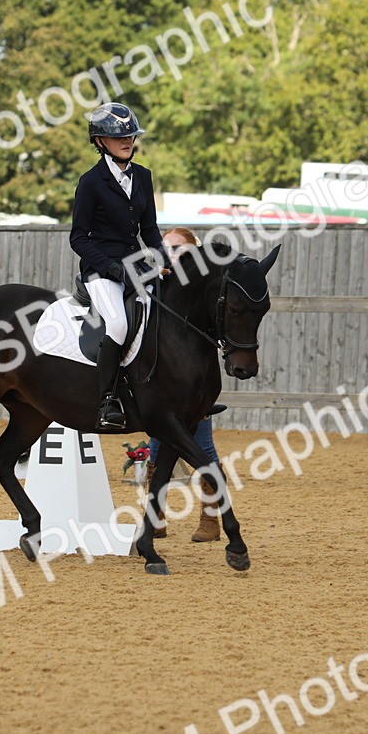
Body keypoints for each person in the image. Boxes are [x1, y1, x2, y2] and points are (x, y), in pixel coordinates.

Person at [69, 102, 166, 432]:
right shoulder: (90, 182)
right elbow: (78, 238)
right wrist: (112, 268)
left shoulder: (143, 177)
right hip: (101, 269)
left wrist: (163, 257)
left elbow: (149, 228)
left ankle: (173, 392)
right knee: (118, 325)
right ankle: (107, 401)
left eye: (131, 135)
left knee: (168, 314)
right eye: (119, 136)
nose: (128, 141)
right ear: (99, 142)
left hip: (136, 265)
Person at [148, 226, 225, 542]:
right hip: (160, 385)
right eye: (166, 247)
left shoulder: (203, 288)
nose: (171, 253)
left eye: (178, 248)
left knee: (203, 447)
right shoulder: (157, 283)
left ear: (195, 251)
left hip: (192, 386)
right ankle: (156, 516)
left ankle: (210, 518)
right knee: (156, 449)